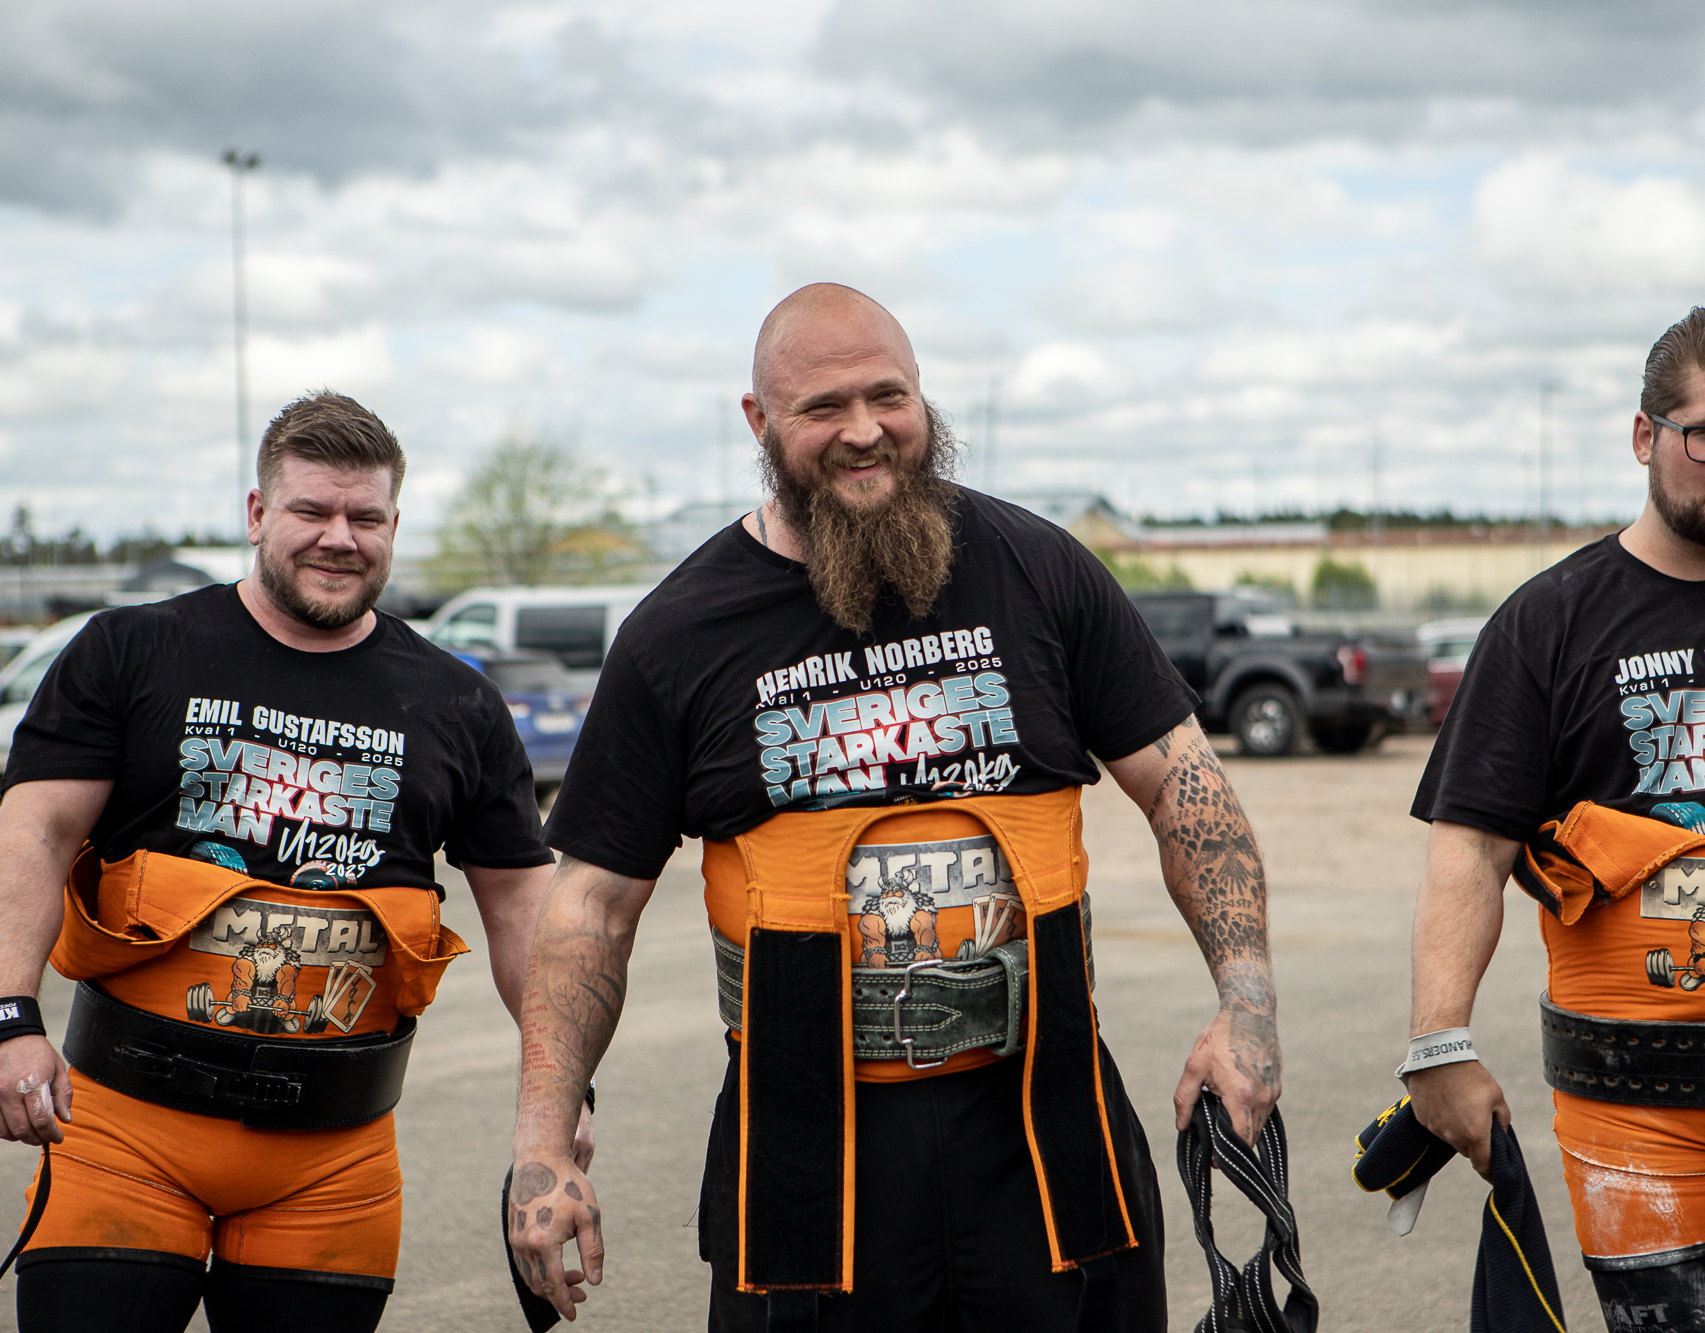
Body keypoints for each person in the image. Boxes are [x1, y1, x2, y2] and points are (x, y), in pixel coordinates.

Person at [503, 283, 1283, 1330]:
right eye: (824, 406)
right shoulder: (678, 634)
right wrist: (542, 1140)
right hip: (803, 1156)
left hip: (1047, 1132)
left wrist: (1245, 1007)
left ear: (923, 395)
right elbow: (592, 906)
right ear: (758, 421)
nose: (865, 430)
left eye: (888, 396)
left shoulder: (1038, 570)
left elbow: (1187, 789)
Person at [0, 392, 586, 1333]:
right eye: (311, 510)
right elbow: (35, 835)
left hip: (333, 1163)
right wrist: (3, 1016)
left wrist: (562, 1092)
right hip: (124, 1133)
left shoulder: (458, 704)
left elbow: (523, 910)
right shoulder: (132, 652)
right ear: (257, 513)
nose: (339, 537)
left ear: (393, 526)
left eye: (365, 516)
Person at [1408, 307, 1705, 1332]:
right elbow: (1472, 847)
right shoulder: (1549, 620)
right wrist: (1437, 1043)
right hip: (1639, 1104)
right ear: (1644, 436)